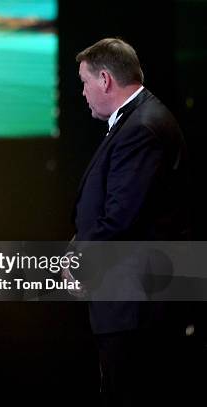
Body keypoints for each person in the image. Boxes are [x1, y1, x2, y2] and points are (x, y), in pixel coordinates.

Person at [67, 38, 191, 405]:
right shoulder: (136, 121)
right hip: (129, 300)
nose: (83, 93)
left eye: (85, 82)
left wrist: (78, 261)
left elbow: (121, 218)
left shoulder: (142, 127)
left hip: (138, 303)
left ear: (105, 80)